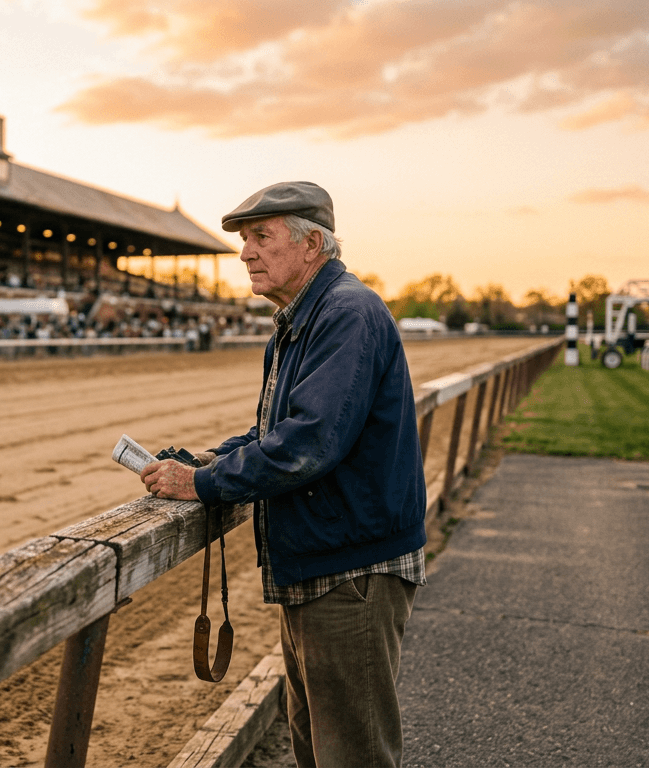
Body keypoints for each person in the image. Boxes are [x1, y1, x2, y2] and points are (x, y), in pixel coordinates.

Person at [140, 181, 426, 768]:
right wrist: (209, 461)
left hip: (351, 572)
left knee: (351, 755)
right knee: (316, 749)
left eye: (260, 238)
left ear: (312, 243)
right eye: (245, 241)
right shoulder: (305, 316)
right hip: (324, 564)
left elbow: (307, 444)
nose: (245, 254)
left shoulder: (345, 313)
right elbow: (277, 433)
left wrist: (198, 486)